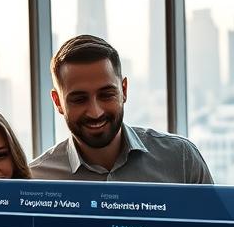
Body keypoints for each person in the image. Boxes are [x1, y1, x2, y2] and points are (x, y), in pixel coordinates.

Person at [30, 35, 213, 183]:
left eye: (106, 95)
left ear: (124, 90)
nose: (95, 112)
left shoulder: (182, 159)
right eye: (79, 99)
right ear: (58, 102)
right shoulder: (35, 179)